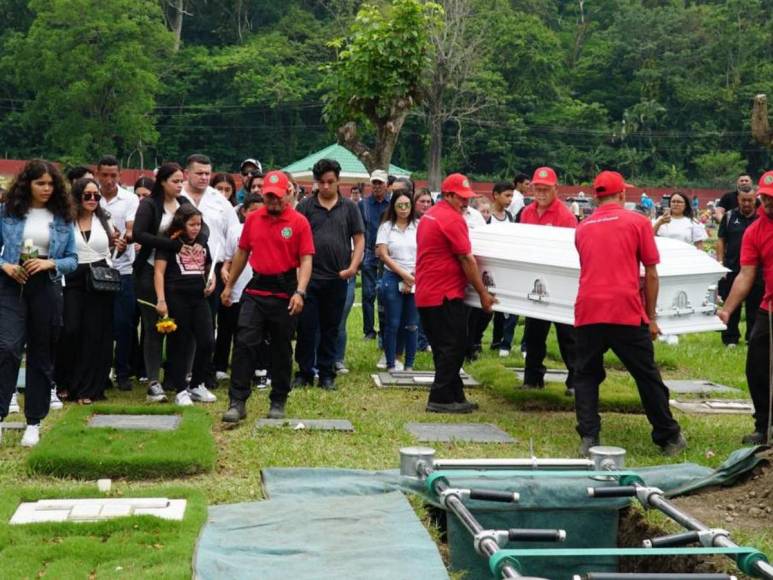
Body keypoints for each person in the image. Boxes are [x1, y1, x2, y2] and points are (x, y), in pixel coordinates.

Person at [574, 170, 686, 457]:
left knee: (585, 375)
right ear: (622, 194)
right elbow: (650, 274)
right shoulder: (637, 223)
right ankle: (668, 436)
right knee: (646, 375)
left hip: (588, 309)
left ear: (597, 195)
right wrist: (651, 317)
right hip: (625, 309)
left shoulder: (583, 227)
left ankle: (589, 437)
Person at [221, 170, 314, 423]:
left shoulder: (299, 222)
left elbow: (306, 260)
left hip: (286, 289)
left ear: (288, 193)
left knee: (281, 348)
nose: (272, 201)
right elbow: (242, 253)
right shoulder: (253, 219)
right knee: (244, 343)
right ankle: (237, 402)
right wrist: (229, 285)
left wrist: (300, 292)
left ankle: (278, 400)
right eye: (268, 196)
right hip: (257, 288)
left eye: (277, 197)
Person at [0, 160, 78, 447]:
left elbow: (73, 260)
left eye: (50, 184)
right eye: (40, 183)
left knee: (41, 353)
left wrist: (50, 263)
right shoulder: (6, 212)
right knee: (7, 348)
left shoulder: (62, 217)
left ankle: (34, 421)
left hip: (45, 286)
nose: (46, 189)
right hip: (11, 285)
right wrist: (5, 265)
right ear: (27, 184)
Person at [416, 173, 495, 413]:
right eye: (461, 198)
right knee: (454, 346)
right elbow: (466, 258)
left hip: (428, 292)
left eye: (468, 198)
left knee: (445, 346)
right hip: (444, 294)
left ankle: (455, 395)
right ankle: (439, 397)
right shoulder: (451, 219)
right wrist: (482, 292)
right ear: (448, 195)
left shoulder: (431, 215)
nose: (466, 203)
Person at [295, 159, 364, 389]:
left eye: (330, 182)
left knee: (331, 328)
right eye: (321, 182)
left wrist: (353, 267)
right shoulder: (305, 206)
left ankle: (326, 373)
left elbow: (359, 238)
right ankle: (304, 372)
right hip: (309, 278)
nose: (325, 187)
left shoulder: (349, 207)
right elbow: (295, 241)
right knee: (306, 328)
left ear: (338, 181)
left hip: (338, 277)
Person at [55, 178, 125, 404]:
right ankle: (64, 381)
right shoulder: (65, 220)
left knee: (96, 334)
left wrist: (118, 247)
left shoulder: (105, 219)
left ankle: (89, 387)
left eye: (96, 196)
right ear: (77, 196)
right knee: (71, 330)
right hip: (73, 278)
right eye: (87, 195)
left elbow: (111, 248)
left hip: (100, 279)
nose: (93, 199)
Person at [133, 162, 196, 403]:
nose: (180, 185)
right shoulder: (149, 205)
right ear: (162, 182)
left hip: (178, 274)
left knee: (182, 325)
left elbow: (202, 227)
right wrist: (169, 244)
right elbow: (139, 234)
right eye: (175, 181)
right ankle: (153, 381)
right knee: (154, 327)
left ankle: (179, 377)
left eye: (182, 181)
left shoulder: (183, 204)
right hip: (149, 271)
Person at [719, 170, 773, 445]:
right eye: (767, 199)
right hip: (769, 307)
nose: (770, 204)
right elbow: (745, 274)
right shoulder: (755, 231)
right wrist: (727, 309)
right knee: (757, 367)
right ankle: (763, 427)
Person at [518, 167, 578, 397]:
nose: (540, 193)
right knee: (534, 332)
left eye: (545, 189)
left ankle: (575, 379)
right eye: (537, 188)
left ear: (555, 189)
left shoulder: (565, 217)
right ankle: (532, 378)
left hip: (559, 281)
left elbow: (571, 250)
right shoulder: (526, 213)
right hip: (535, 279)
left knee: (567, 334)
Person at [182, 154, 240, 389]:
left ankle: (204, 373)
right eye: (199, 173)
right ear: (187, 173)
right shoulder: (177, 196)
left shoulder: (220, 201)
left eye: (208, 173)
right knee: (182, 323)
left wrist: (225, 268)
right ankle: (179, 372)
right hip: (180, 268)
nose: (204, 177)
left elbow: (234, 238)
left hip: (211, 268)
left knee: (208, 325)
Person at [154, 205, 216, 406]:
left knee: (207, 340)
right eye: (192, 224)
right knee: (180, 343)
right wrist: (161, 299)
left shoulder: (202, 242)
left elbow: (209, 266)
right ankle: (180, 389)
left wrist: (211, 279)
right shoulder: (169, 242)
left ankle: (197, 384)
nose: (196, 228)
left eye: (199, 224)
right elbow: (159, 272)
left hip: (199, 297)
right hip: (176, 296)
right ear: (181, 223)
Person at [96, 155, 140, 392]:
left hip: (123, 269)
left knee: (124, 324)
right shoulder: (92, 198)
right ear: (98, 174)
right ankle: (101, 372)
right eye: (105, 175)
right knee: (100, 324)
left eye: (114, 175)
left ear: (120, 175)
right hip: (97, 268)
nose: (109, 180)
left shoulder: (130, 199)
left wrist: (124, 240)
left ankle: (123, 372)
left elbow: (131, 229)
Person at [215, 193, 265, 381]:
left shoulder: (268, 229)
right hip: (235, 289)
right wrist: (225, 272)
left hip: (256, 289)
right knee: (228, 327)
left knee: (251, 333)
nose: (256, 214)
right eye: (252, 211)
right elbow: (229, 258)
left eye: (260, 211)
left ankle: (255, 368)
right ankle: (220, 366)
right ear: (244, 211)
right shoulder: (235, 230)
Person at [376, 191, 418, 372]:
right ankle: (391, 363)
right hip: (392, 276)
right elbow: (383, 255)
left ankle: (409, 365)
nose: (403, 209)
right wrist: (403, 275)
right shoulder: (386, 227)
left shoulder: (419, 226)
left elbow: (425, 253)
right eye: (399, 205)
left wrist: (411, 277)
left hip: (416, 275)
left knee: (412, 324)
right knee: (392, 323)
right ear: (393, 206)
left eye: (407, 205)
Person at [716, 188, 763, 347]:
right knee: (732, 302)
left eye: (750, 200)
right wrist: (720, 262)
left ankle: (752, 337)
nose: (747, 203)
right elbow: (721, 240)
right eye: (743, 200)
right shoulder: (729, 217)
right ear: (738, 200)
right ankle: (730, 338)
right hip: (733, 267)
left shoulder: (762, 218)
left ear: (755, 199)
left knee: (755, 306)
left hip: (757, 269)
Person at [487, 182, 518, 357]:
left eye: (511, 196)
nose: (509, 199)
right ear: (495, 195)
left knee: (507, 307)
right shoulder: (487, 217)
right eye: (506, 195)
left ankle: (504, 342)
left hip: (506, 269)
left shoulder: (510, 217)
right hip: (489, 268)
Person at [359, 169, 390, 340]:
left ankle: (385, 330)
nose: (377, 186)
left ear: (386, 185)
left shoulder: (392, 204)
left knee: (386, 295)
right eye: (374, 183)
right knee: (368, 294)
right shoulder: (363, 204)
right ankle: (369, 331)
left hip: (388, 256)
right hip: (369, 254)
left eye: (380, 183)